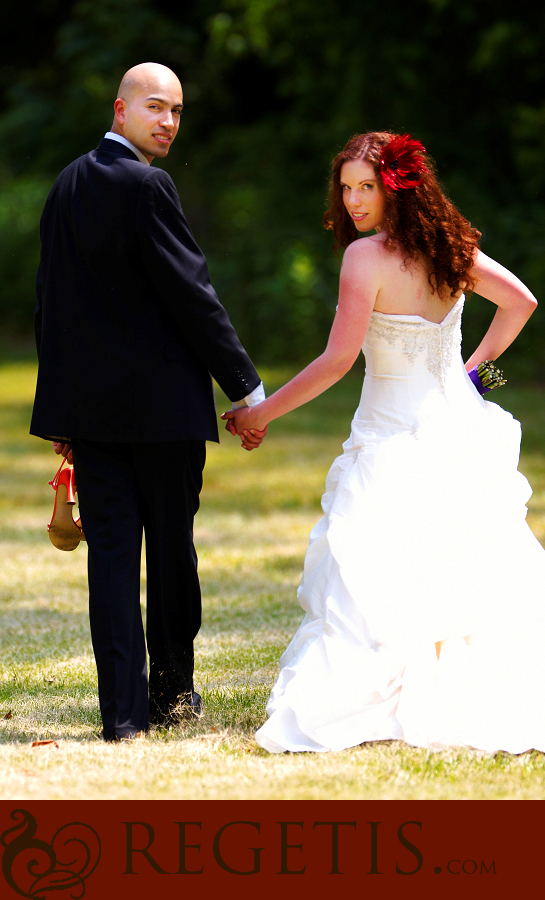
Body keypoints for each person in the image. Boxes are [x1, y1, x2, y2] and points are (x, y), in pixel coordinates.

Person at [222, 131, 545, 754]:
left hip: (393, 436)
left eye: (365, 186)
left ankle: (388, 701)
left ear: (397, 186)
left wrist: (263, 413)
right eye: (345, 188)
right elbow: (521, 303)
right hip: (458, 430)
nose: (352, 201)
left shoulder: (364, 260)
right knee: (460, 567)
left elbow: (338, 361)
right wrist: (477, 377)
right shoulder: (453, 248)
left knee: (382, 574)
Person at [30, 62, 266, 742]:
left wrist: (63, 415)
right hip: (163, 413)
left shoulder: (65, 184)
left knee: (110, 563)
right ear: (121, 109)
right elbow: (193, 295)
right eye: (156, 108)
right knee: (169, 555)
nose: (167, 122)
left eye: (177, 111)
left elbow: (51, 308)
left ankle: (123, 717)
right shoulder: (148, 184)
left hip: (94, 415)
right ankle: (170, 694)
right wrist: (247, 389)